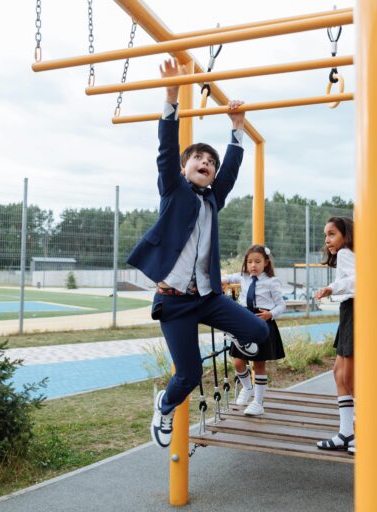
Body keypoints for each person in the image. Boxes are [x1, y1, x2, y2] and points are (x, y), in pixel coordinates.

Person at [126, 59, 269, 448]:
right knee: (188, 375)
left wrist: (236, 129)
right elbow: (166, 149)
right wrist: (172, 96)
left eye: (211, 162)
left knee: (258, 330)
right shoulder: (174, 192)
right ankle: (165, 405)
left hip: (207, 297)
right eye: (199, 160)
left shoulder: (213, 200)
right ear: (185, 168)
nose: (206, 164)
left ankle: (240, 353)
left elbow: (231, 172)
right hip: (173, 302)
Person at [223, 244, 286, 416]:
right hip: (243, 320)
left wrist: (270, 314)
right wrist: (220, 280)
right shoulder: (243, 276)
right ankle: (247, 388)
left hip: (262, 320)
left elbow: (282, 305)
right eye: (250, 262)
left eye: (257, 261)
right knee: (237, 361)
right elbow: (227, 278)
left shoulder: (271, 282)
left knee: (258, 364)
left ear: (266, 262)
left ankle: (258, 403)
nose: (253, 265)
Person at [314, 216, 356, 455]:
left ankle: (366, 432)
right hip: (348, 311)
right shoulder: (347, 254)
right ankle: (345, 432)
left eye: (332, 234)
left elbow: (356, 280)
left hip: (354, 310)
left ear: (345, 235)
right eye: (326, 235)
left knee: (350, 378)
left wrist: (331, 288)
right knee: (339, 373)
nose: (328, 240)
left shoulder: (345, 253)